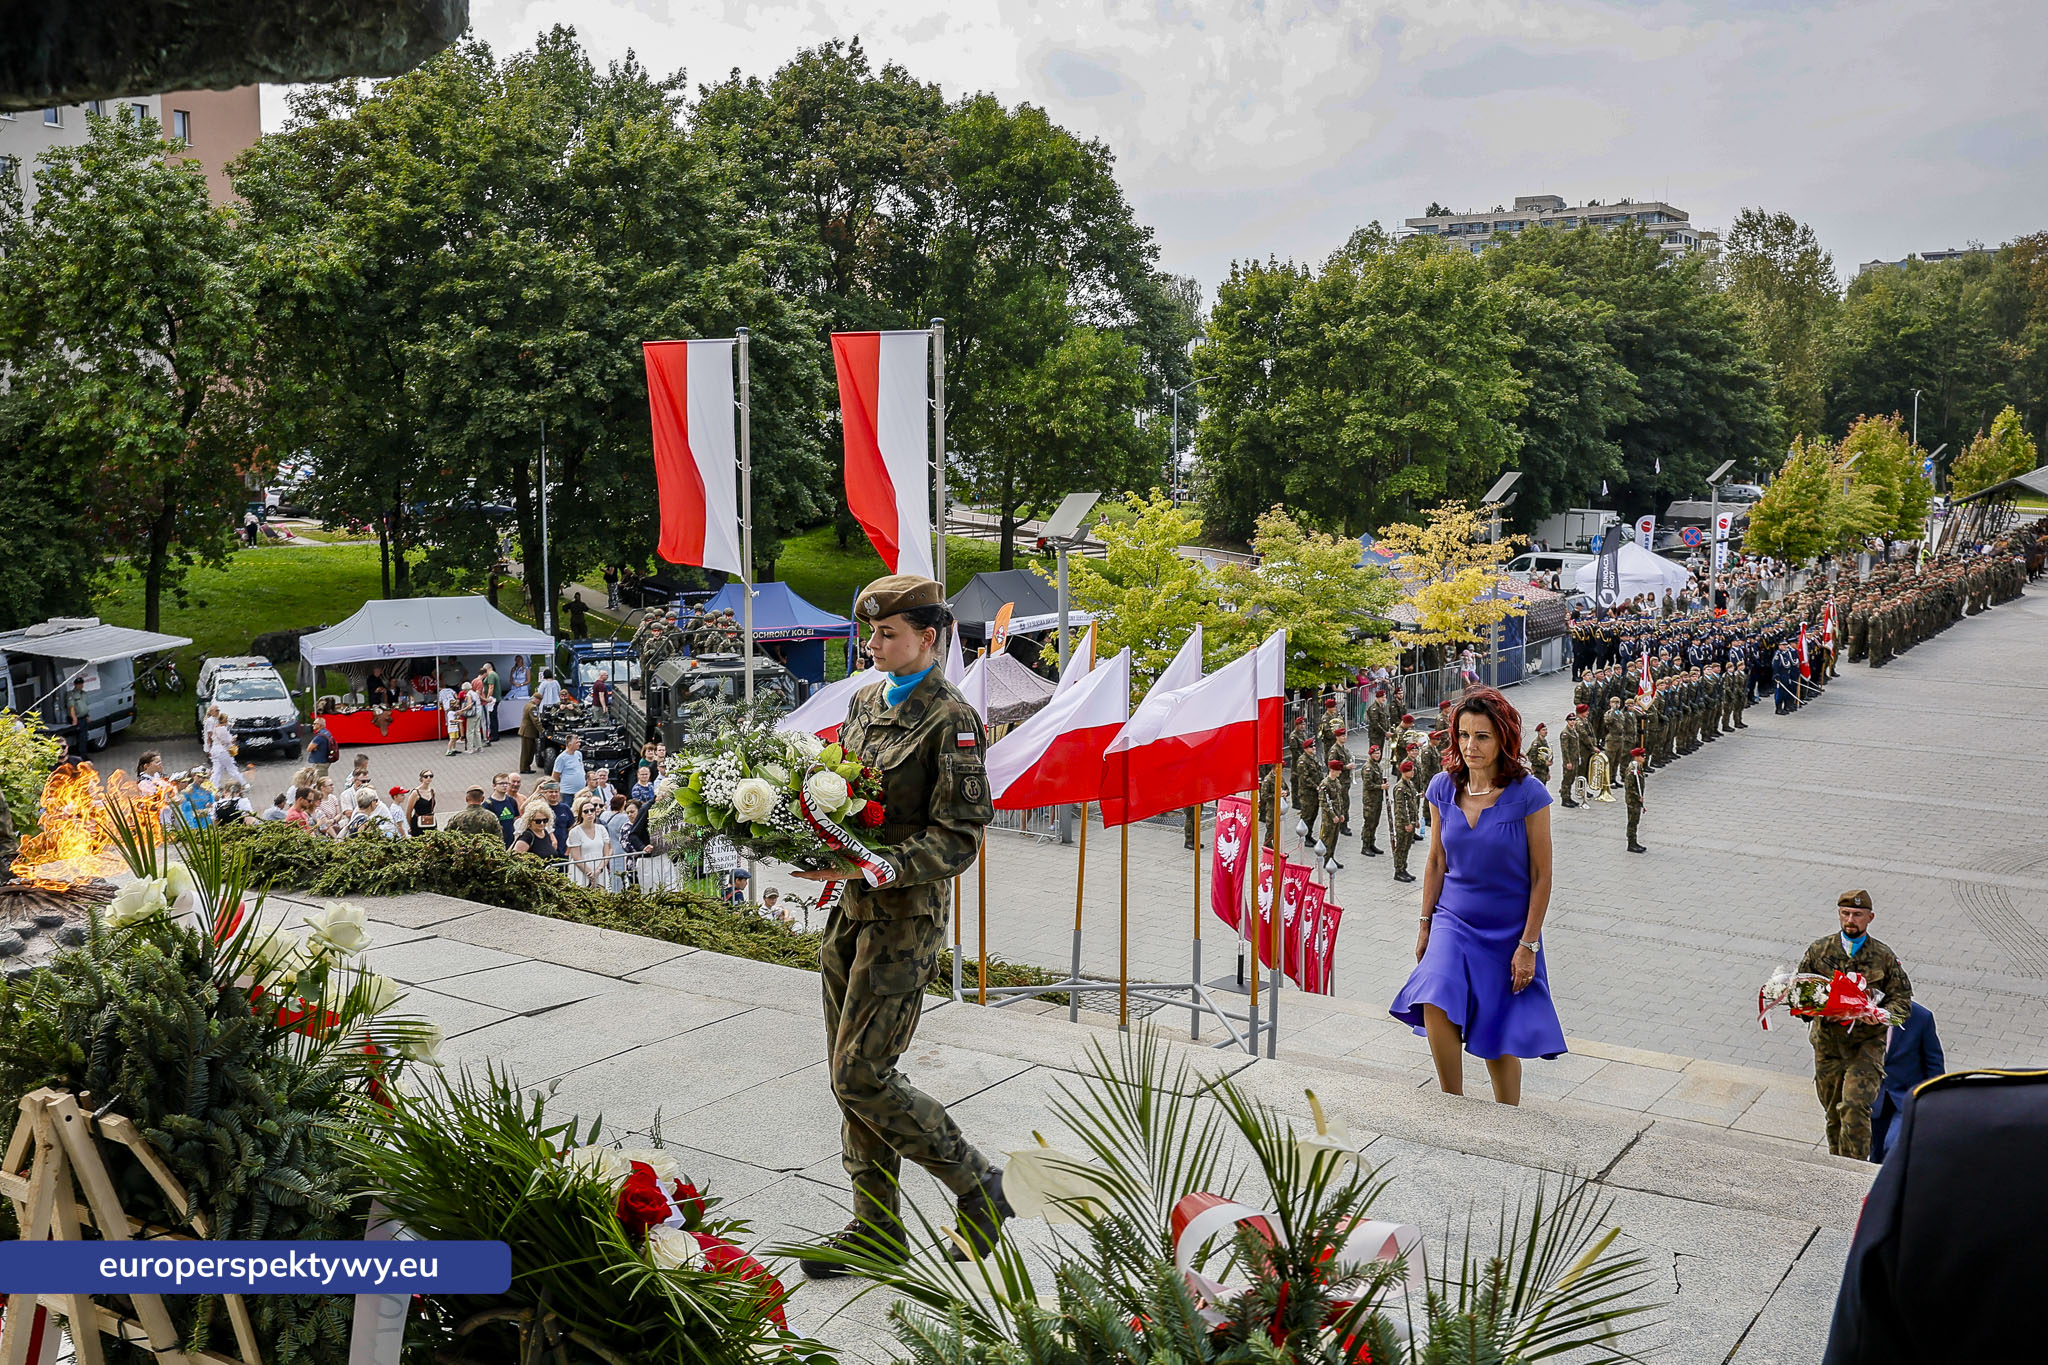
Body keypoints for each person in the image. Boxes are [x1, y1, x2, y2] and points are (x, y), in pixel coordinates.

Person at [787, 573, 1006, 1280]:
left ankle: (979, 1183)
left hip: (904, 921)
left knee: (861, 1074)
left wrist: (882, 865)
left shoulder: (953, 719)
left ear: (929, 636)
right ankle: (876, 1227)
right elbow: (849, 799)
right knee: (844, 1076)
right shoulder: (860, 701)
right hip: (848, 915)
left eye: (888, 633)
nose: (874, 645)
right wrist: (819, 849)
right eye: (870, 632)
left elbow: (962, 835)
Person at [1389, 686, 1562, 1105]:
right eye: (1464, 735)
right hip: (1452, 917)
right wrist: (1425, 923)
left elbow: (1542, 876)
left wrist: (1528, 944)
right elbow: (1435, 862)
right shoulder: (1441, 788)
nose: (1471, 745)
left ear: (1502, 737)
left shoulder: (1529, 794)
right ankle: (1454, 1105)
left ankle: (1507, 1119)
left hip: (1507, 930)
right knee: (1434, 993)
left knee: (1497, 1038)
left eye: (1481, 736)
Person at [1798, 890, 1914, 1160]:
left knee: (1854, 1105)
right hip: (1828, 1045)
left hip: (1865, 1046)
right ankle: (1836, 1165)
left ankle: (1855, 1170)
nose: (1851, 919)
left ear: (1870, 918)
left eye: (1858, 915)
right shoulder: (1820, 950)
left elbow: (1902, 1001)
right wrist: (1818, 1009)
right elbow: (1801, 992)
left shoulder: (1883, 956)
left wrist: (1882, 1015)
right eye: (1846, 913)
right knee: (1833, 1113)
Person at [1868, 1001, 1944, 1164]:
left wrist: (1934, 1099)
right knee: (1876, 1152)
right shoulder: (1864, 1012)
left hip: (1905, 1097)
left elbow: (1934, 1062)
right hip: (1874, 1098)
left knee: (1893, 1146)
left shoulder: (1921, 1017)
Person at [484, 773, 522, 845]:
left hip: (511, 842)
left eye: (507, 783)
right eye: (501, 783)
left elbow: (515, 819)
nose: (505, 785)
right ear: (494, 786)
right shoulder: (488, 805)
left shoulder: (512, 801)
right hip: (496, 843)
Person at [1623, 747, 1647, 854]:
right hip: (1632, 800)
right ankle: (1631, 843)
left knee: (1635, 821)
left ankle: (1634, 841)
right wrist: (1638, 797)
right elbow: (1629, 787)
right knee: (1632, 821)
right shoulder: (1632, 770)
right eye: (1642, 756)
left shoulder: (1638, 767)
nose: (1644, 757)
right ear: (1637, 757)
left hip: (1636, 799)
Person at [552, 733, 586, 801]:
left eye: (579, 742)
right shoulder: (561, 758)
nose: (579, 744)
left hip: (581, 792)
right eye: (577, 742)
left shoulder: (579, 754)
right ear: (570, 744)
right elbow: (555, 776)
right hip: (567, 793)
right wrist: (556, 791)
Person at [403, 769, 437, 837]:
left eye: (431, 776)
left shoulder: (432, 791)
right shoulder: (415, 793)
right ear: (421, 778)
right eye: (426, 776)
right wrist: (411, 825)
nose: (428, 778)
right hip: (418, 823)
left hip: (430, 822)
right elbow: (408, 812)